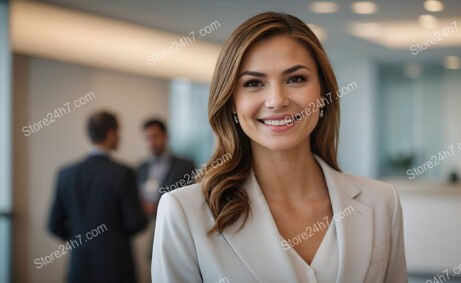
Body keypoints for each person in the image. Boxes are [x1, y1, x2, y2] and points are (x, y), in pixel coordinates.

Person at [152, 12, 407, 283]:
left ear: (322, 93)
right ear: (232, 104)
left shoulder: (381, 201)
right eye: (253, 83)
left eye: (295, 79)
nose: (276, 100)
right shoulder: (184, 211)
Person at [48, 111, 147, 283]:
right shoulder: (124, 173)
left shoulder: (66, 174)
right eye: (119, 132)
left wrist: (81, 239)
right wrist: (145, 209)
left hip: (79, 267)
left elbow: (54, 224)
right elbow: (135, 223)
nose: (119, 137)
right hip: (117, 268)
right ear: (111, 133)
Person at [136, 119, 196, 218]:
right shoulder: (140, 168)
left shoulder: (185, 166)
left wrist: (158, 206)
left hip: (175, 219)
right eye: (148, 138)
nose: (152, 142)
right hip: (147, 222)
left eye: (155, 137)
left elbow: (190, 197)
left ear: (165, 136)